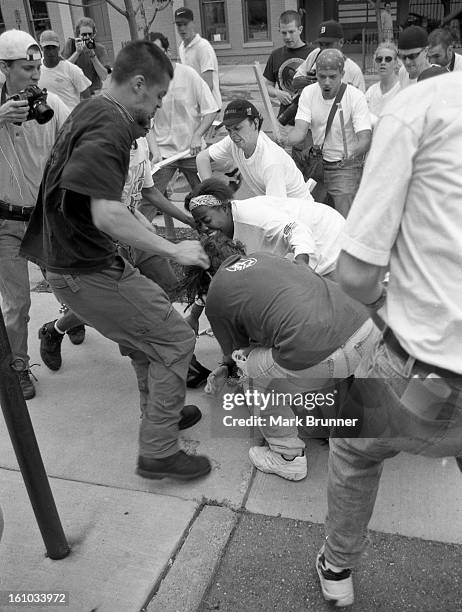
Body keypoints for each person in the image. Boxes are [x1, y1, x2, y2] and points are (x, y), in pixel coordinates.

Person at [20, 40, 212, 481]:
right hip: (84, 270)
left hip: (80, 261)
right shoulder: (111, 124)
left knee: (149, 337)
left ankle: (157, 418)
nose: (159, 107)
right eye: (160, 97)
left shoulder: (92, 108)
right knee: (175, 340)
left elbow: (106, 207)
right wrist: (172, 248)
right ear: (139, 84)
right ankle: (159, 451)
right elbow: (106, 212)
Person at [315, 72, 462, 608]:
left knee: (355, 448)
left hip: (430, 370)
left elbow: (354, 276)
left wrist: (385, 308)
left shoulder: (424, 105)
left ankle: (337, 566)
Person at [180, 233, 377, 481]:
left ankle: (287, 457)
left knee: (251, 374)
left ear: (201, 275)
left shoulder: (217, 297)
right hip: (366, 326)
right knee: (299, 356)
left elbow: (240, 355)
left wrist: (226, 368)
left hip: (328, 353)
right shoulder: (264, 257)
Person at [0, 29, 69, 399]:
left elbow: (78, 141)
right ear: (4, 68)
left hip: (44, 217)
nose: (34, 76)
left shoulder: (52, 104)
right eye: (26, 68)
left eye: (38, 67)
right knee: (17, 304)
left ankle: (61, 326)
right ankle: (19, 369)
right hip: (5, 223)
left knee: (75, 286)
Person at [185, 178, 344, 279]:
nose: (204, 228)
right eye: (198, 223)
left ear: (225, 208)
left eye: (206, 220)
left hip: (327, 237)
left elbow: (296, 229)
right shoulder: (221, 234)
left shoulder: (253, 216)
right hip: (301, 244)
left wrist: (301, 267)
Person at [288, 49, 372, 218]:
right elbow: (300, 130)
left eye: (332, 76)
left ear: (342, 74)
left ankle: (345, 242)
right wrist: (285, 140)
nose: (326, 82)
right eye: (322, 76)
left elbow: (365, 138)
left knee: (344, 219)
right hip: (317, 162)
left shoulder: (355, 97)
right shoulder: (309, 92)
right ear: (316, 74)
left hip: (344, 166)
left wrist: (353, 152)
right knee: (311, 215)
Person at [148, 31, 219, 207]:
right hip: (163, 155)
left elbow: (211, 110)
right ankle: (146, 234)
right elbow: (147, 124)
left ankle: (215, 232)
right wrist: (155, 152)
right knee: (150, 200)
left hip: (191, 152)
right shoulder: (148, 83)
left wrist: (197, 135)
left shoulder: (189, 75)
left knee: (207, 200)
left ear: (168, 51)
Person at [196, 99, 314, 201]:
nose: (233, 135)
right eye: (229, 130)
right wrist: (210, 194)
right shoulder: (233, 141)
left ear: (255, 123)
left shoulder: (271, 162)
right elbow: (202, 158)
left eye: (238, 128)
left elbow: (278, 211)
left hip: (298, 216)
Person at [263, 10, 313, 118]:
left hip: (312, 120)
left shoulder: (314, 53)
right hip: (285, 120)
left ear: (300, 30)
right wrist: (277, 93)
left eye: (291, 32)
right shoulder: (275, 55)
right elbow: (267, 86)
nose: (287, 37)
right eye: (284, 32)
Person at [293, 21, 365, 94]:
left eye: (328, 44)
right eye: (321, 44)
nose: (324, 48)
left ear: (341, 42)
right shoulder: (315, 55)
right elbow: (295, 82)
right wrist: (308, 81)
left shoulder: (353, 70)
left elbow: (360, 102)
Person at [174, 7, 222, 110]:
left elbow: (208, 84)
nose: (182, 29)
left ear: (193, 23)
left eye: (185, 24)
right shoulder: (181, 47)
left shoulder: (203, 47)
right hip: (195, 108)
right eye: (179, 25)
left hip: (210, 109)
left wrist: (196, 106)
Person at [38, 30, 91, 110]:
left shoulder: (72, 69)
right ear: (41, 48)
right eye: (47, 48)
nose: (51, 52)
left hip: (70, 119)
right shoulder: (36, 69)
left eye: (54, 47)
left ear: (59, 47)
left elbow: (87, 98)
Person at [62, 17, 109, 97]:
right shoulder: (71, 45)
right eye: (84, 34)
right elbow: (63, 69)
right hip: (76, 94)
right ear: (78, 35)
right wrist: (77, 53)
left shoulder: (100, 49)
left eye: (89, 34)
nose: (87, 37)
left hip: (94, 93)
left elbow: (104, 76)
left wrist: (93, 55)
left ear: (94, 34)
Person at [365, 42, 400, 121]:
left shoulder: (402, 89)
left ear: (396, 63)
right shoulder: (371, 91)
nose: (383, 62)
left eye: (388, 59)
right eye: (379, 59)